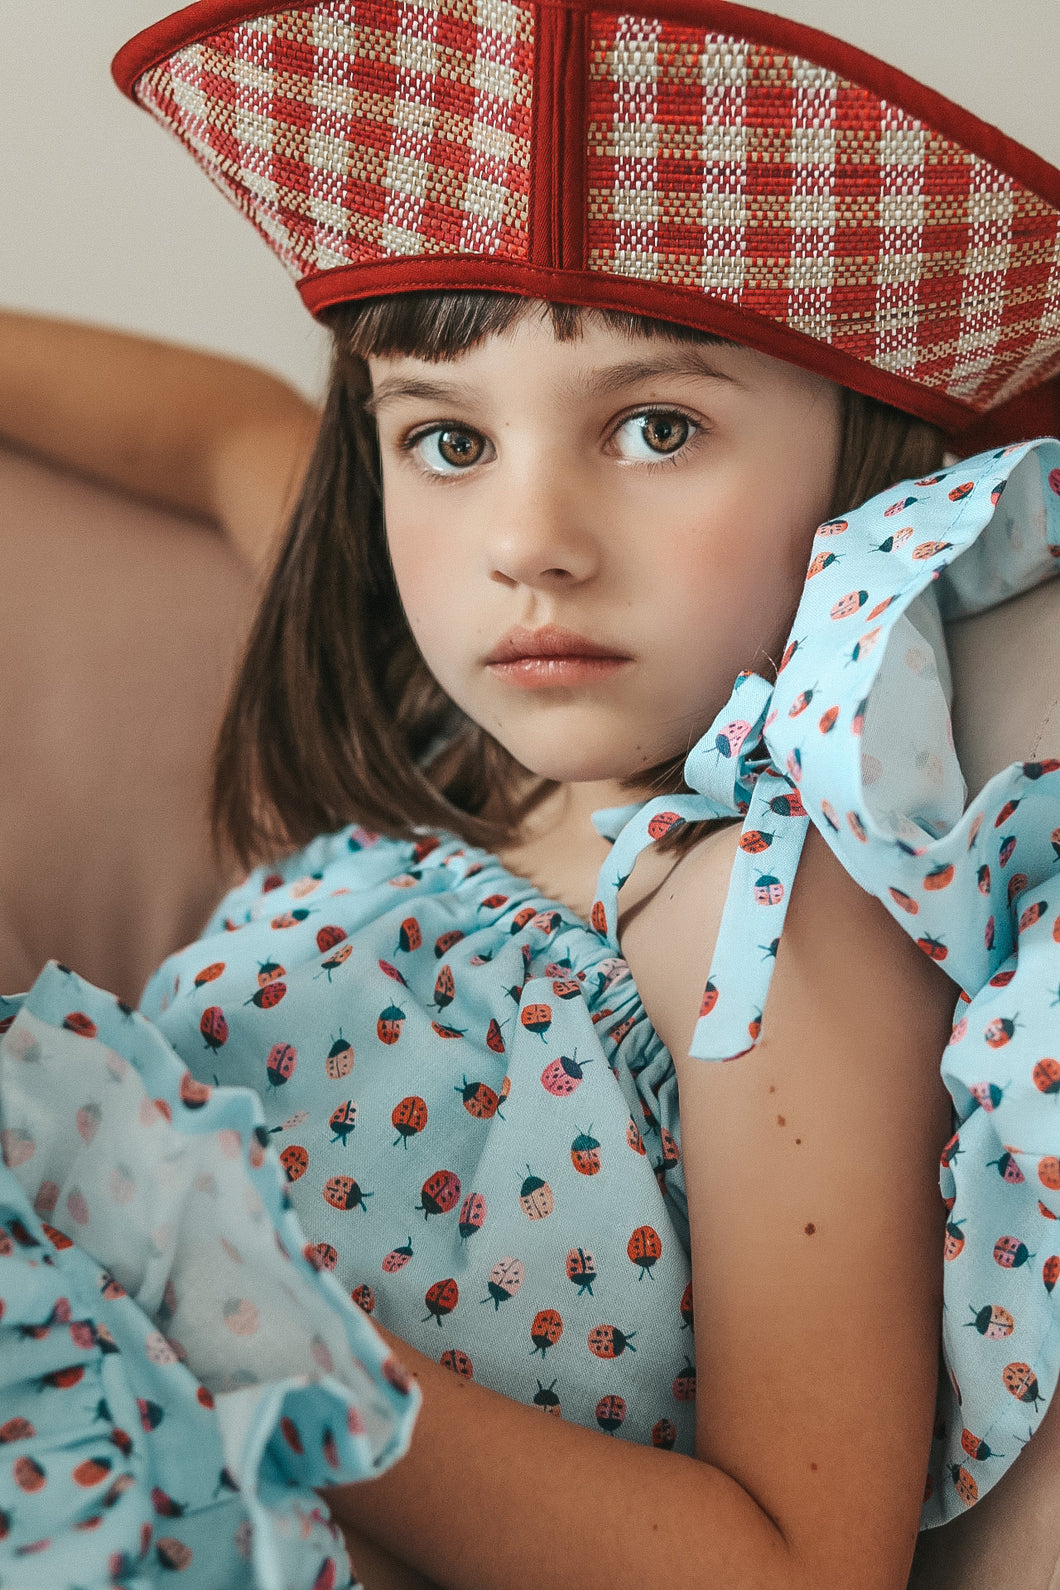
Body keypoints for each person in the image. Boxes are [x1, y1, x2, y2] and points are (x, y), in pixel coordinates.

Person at [3, 2, 1060, 1586]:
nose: (527, 537)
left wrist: (253, 1323)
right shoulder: (436, 732)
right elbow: (227, 422)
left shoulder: (759, 920)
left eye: (655, 425)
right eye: (446, 438)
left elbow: (800, 1562)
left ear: (861, 464)